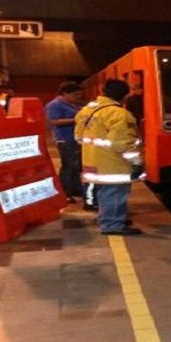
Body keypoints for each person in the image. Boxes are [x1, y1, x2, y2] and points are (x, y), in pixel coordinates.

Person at [75, 79, 143, 235]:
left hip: (91, 160)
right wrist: (137, 163)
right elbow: (123, 143)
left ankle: (108, 218)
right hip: (112, 163)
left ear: (103, 92)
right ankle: (112, 225)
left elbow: (78, 137)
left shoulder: (87, 110)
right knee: (115, 194)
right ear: (124, 96)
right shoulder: (120, 114)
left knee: (104, 192)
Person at [45, 81, 86, 202]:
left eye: (80, 94)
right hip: (65, 139)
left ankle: (75, 188)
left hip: (75, 139)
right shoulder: (55, 105)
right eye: (76, 94)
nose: (79, 97)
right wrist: (76, 120)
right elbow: (53, 122)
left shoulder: (73, 104)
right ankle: (66, 192)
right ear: (65, 94)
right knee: (68, 166)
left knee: (76, 166)